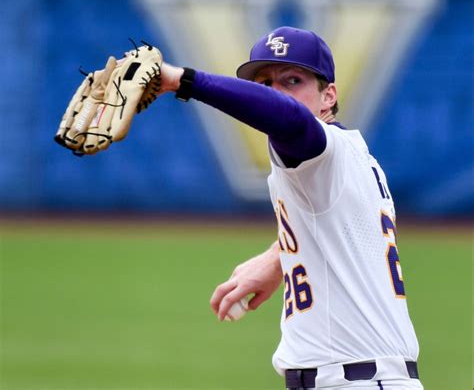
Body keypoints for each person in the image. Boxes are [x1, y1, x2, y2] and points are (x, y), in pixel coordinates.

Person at [158, 26, 422, 390]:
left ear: (328, 95)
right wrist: (277, 257)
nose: (276, 93)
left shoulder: (320, 148)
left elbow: (291, 119)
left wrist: (183, 80)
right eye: (264, 84)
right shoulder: (350, 156)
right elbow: (334, 228)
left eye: (293, 80)